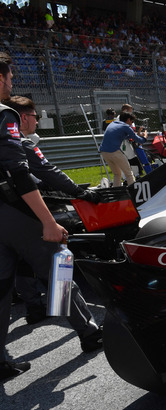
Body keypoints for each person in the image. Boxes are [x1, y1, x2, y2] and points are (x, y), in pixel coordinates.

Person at [0, 52, 92, 381]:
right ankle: (88, 330)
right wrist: (49, 222)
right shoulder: (5, 114)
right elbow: (21, 172)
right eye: (9, 78)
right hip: (15, 210)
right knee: (59, 265)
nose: (12, 83)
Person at [4, 95, 103, 350]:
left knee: (10, 273)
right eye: (35, 116)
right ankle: (88, 332)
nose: (36, 121)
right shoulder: (20, 141)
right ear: (24, 117)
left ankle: (35, 309)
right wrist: (80, 193)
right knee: (59, 265)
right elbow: (47, 170)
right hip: (22, 213)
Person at [98, 111, 148, 187]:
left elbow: (124, 136)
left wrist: (135, 135)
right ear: (128, 120)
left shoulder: (113, 124)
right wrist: (145, 137)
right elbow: (139, 140)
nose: (132, 123)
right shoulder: (126, 126)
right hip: (114, 151)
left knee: (117, 174)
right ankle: (134, 191)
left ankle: (116, 192)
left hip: (103, 152)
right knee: (129, 173)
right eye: (132, 121)